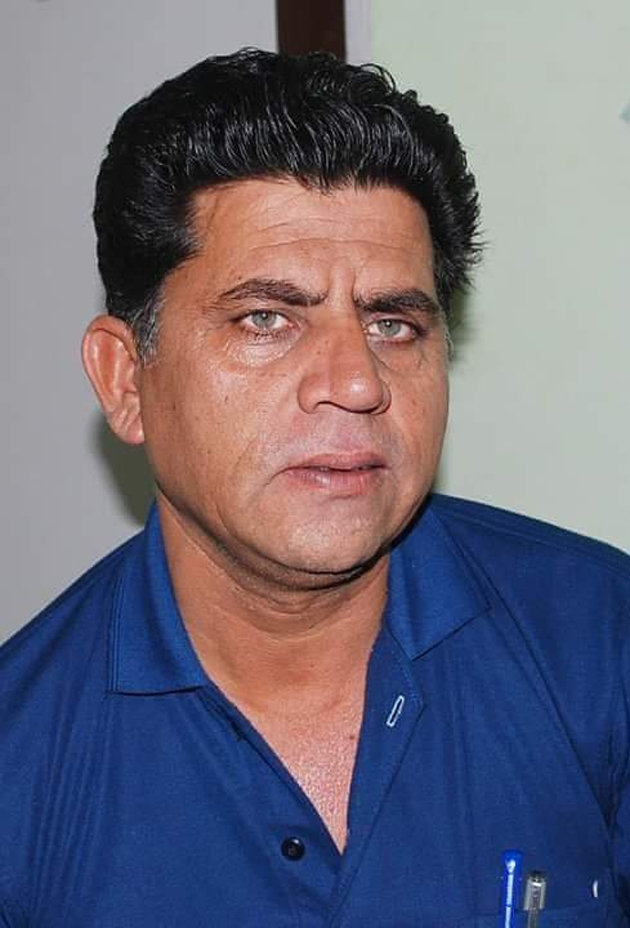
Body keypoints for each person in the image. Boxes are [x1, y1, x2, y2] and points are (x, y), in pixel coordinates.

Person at [1, 48, 629, 928]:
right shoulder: (21, 766)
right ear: (125, 379)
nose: (358, 381)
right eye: (267, 318)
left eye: (393, 323)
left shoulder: (601, 643)